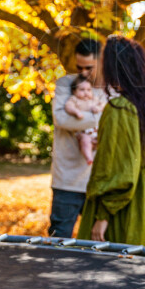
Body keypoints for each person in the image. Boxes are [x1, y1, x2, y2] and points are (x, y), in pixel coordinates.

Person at [78, 35, 145, 250]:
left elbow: (119, 172)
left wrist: (102, 216)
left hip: (131, 209)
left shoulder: (120, 108)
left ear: (113, 66)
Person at [49, 38, 107, 238]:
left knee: (101, 244)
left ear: (101, 61)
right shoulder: (66, 84)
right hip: (67, 181)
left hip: (100, 181)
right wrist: (103, 119)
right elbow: (62, 119)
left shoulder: (112, 90)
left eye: (89, 67)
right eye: (79, 67)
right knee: (59, 239)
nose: (83, 73)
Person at [63, 76, 107, 165]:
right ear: (74, 91)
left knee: (105, 139)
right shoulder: (75, 99)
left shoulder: (94, 99)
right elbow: (68, 106)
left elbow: (103, 105)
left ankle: (104, 159)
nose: (86, 93)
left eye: (89, 90)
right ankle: (89, 158)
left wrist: (98, 108)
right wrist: (76, 112)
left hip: (96, 130)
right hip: (83, 132)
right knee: (85, 142)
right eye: (82, 90)